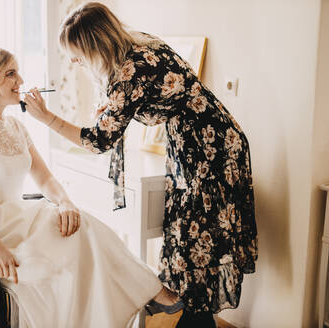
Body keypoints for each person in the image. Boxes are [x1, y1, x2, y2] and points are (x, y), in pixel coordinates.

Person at [22, 2, 258, 326]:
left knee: (198, 243)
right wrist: (113, 109)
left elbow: (98, 141)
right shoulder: (137, 43)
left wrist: (46, 117)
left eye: (76, 52)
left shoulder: (129, 71)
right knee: (190, 240)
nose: (74, 61)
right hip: (201, 139)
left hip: (210, 148)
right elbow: (144, 98)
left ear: (95, 45)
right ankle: (190, 317)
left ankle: (194, 320)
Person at [0, 47, 182, 328]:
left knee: (81, 226)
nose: (20, 79)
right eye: (10, 73)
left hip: (18, 219)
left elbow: (45, 179)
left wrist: (65, 202)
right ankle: (160, 297)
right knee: (62, 262)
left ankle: (156, 295)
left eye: (17, 71)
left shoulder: (17, 128)